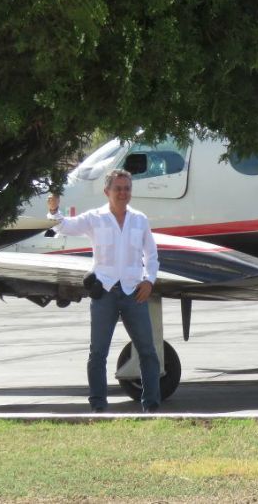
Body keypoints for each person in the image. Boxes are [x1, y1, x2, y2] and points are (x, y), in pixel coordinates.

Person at [46, 169, 162, 412]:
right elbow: (64, 227)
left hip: (133, 293)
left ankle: (151, 406)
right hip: (105, 293)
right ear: (106, 191)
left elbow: (151, 254)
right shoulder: (95, 218)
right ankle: (98, 407)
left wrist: (149, 281)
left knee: (148, 351)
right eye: (118, 188)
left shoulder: (140, 219)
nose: (123, 193)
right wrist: (55, 210)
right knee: (98, 353)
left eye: (127, 188)